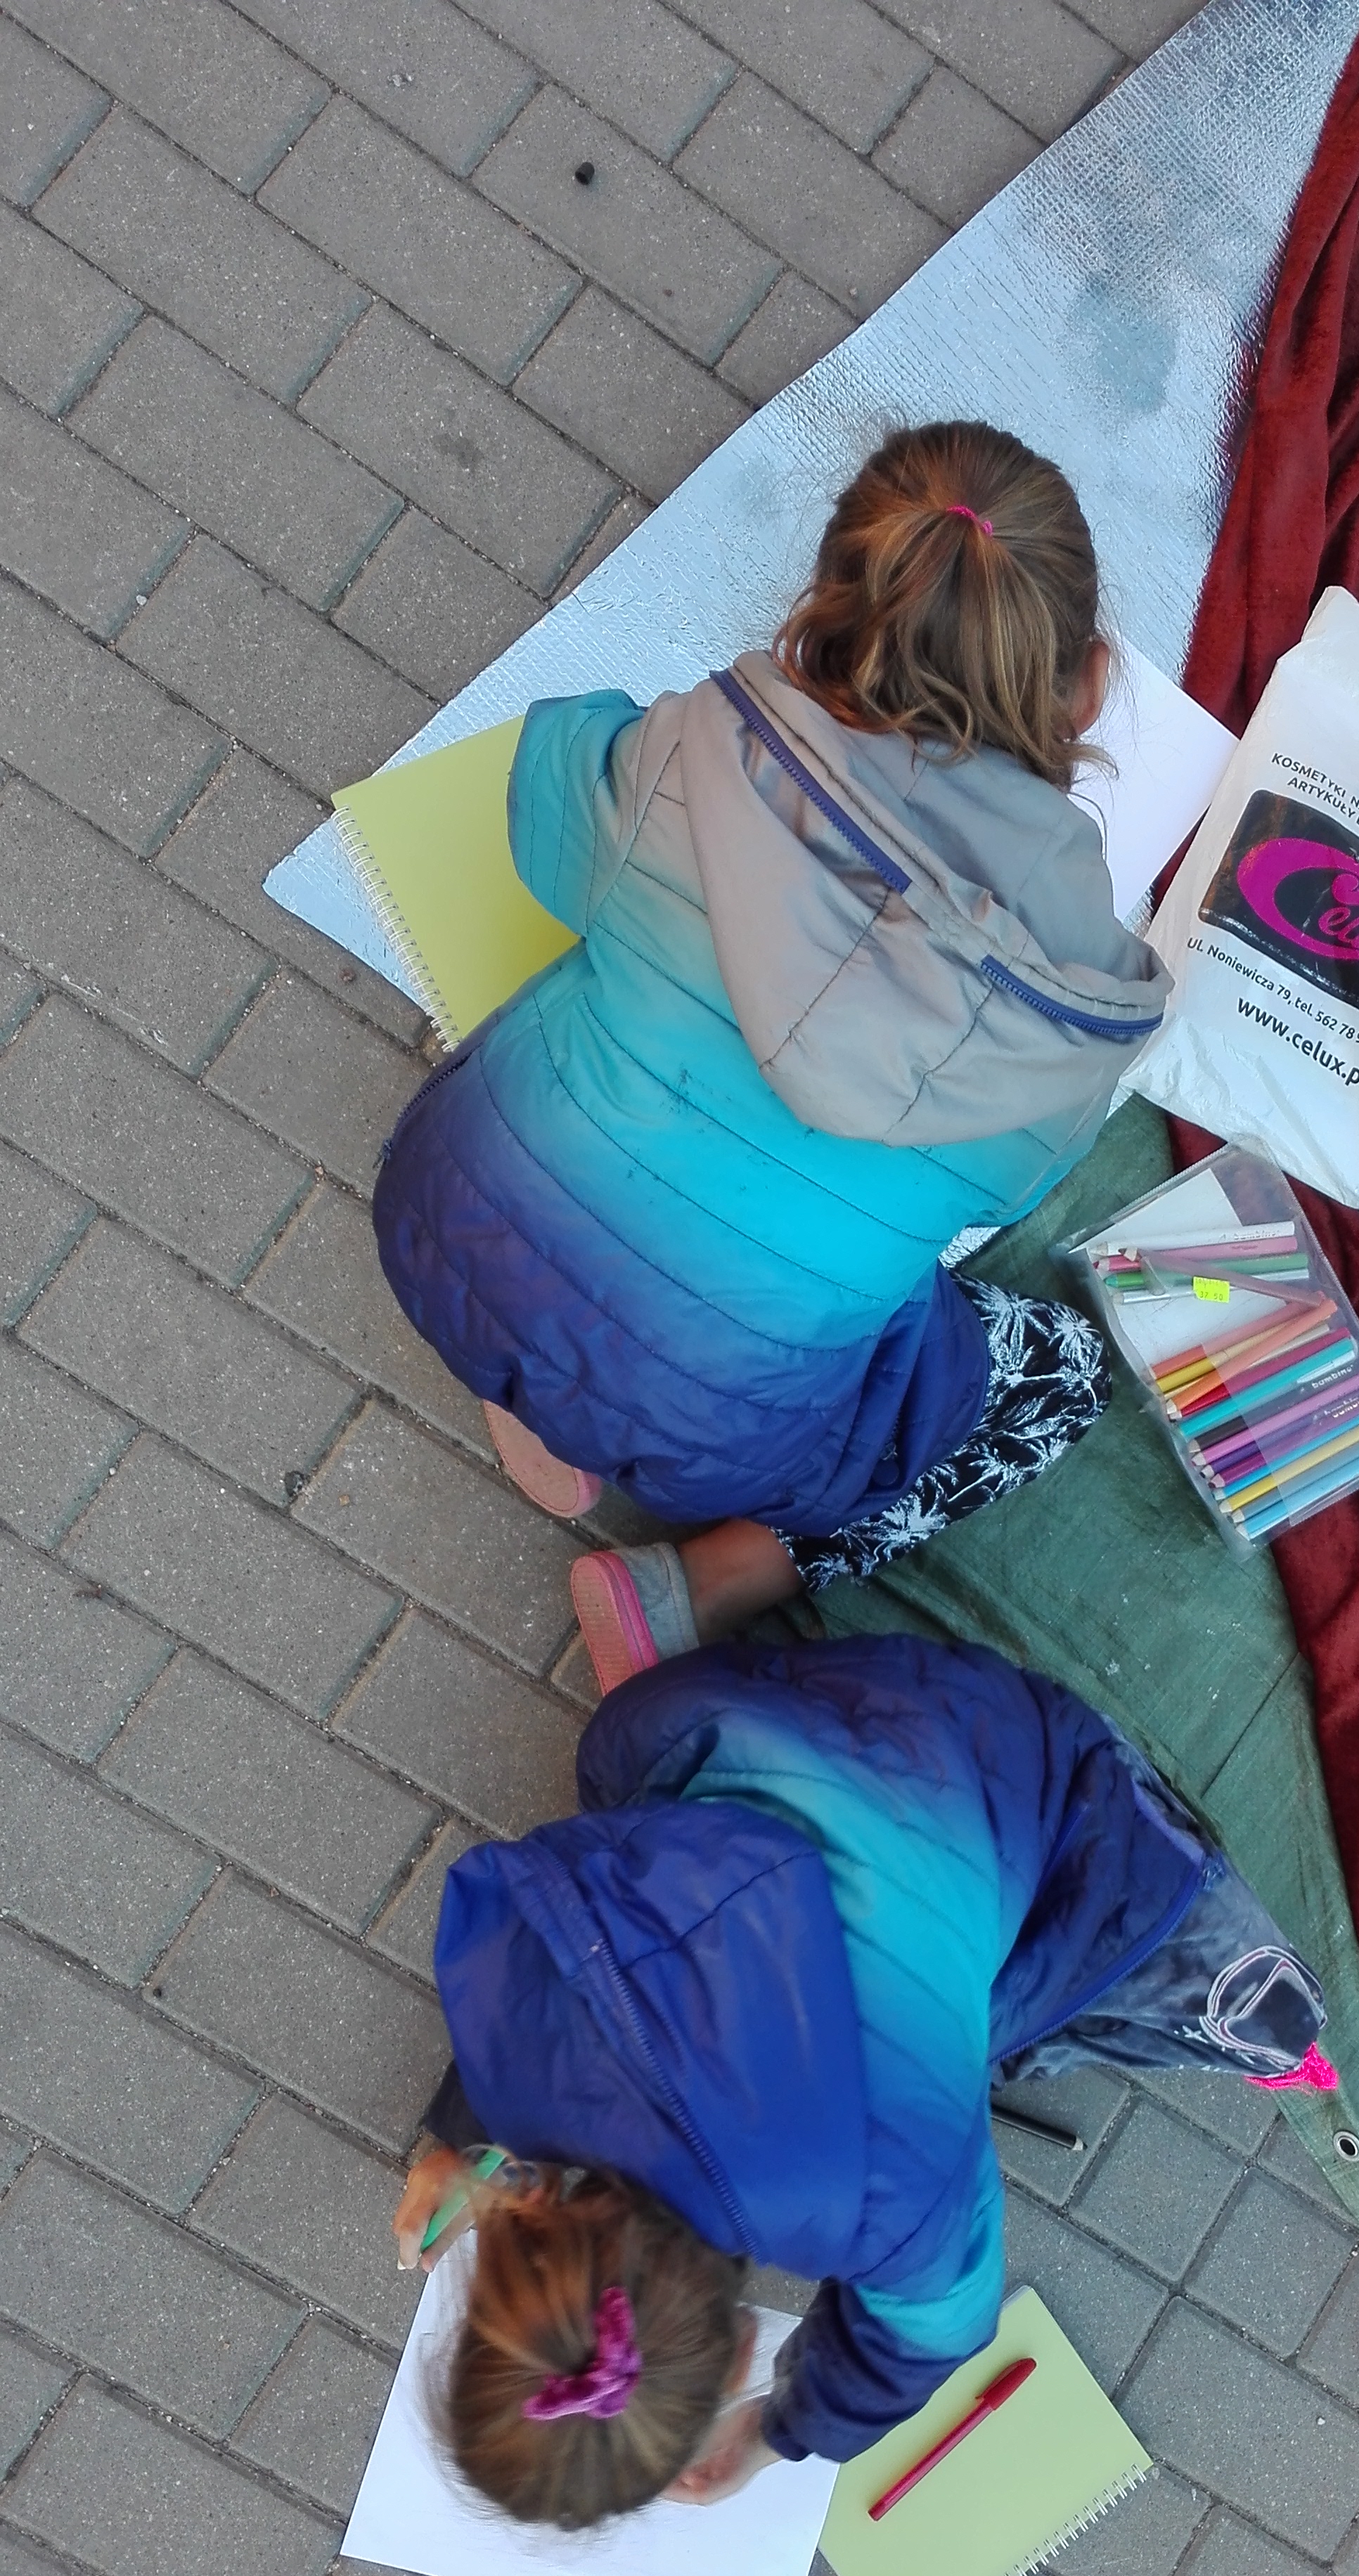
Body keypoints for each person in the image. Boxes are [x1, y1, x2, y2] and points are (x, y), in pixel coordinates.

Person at [373, 423, 1171, 1692]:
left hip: (443, 1228)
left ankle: (543, 1399)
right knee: (1054, 1375)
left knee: (599, 977)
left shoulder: (703, 749)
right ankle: (707, 1581)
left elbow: (545, 806)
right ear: (1087, 687)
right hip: (711, 1436)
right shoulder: (1081, 1013)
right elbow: (996, 1202)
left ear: (828, 603)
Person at [392, 1636, 1330, 2523]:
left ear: (745, 2357)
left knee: (1275, 2024)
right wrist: (462, 2143)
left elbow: (934, 2332)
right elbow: (545, 1992)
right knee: (625, 1764)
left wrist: (780, 2435)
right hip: (768, 1732)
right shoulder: (509, 2044)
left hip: (1049, 1796)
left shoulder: (880, 2192)